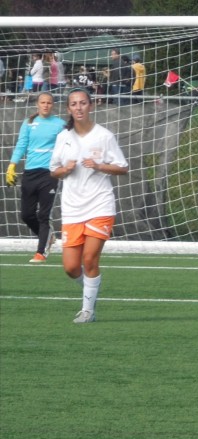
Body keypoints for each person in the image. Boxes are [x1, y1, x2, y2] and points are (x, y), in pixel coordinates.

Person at [49, 88, 129, 323]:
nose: (79, 107)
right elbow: (54, 171)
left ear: (91, 106)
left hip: (100, 205)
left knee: (90, 259)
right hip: (72, 208)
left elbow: (123, 167)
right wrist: (66, 170)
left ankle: (87, 310)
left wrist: (100, 165)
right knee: (71, 268)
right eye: (74, 104)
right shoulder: (63, 138)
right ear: (68, 109)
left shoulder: (104, 136)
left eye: (83, 103)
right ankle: (91, 289)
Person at [6, 92, 65, 263]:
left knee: (44, 215)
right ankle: (47, 236)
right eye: (43, 102)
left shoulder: (60, 124)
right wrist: (12, 165)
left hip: (49, 174)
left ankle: (41, 252)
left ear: (52, 105)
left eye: (49, 102)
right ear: (37, 104)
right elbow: (21, 145)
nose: (46, 105)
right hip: (30, 173)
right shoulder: (29, 123)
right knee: (26, 215)